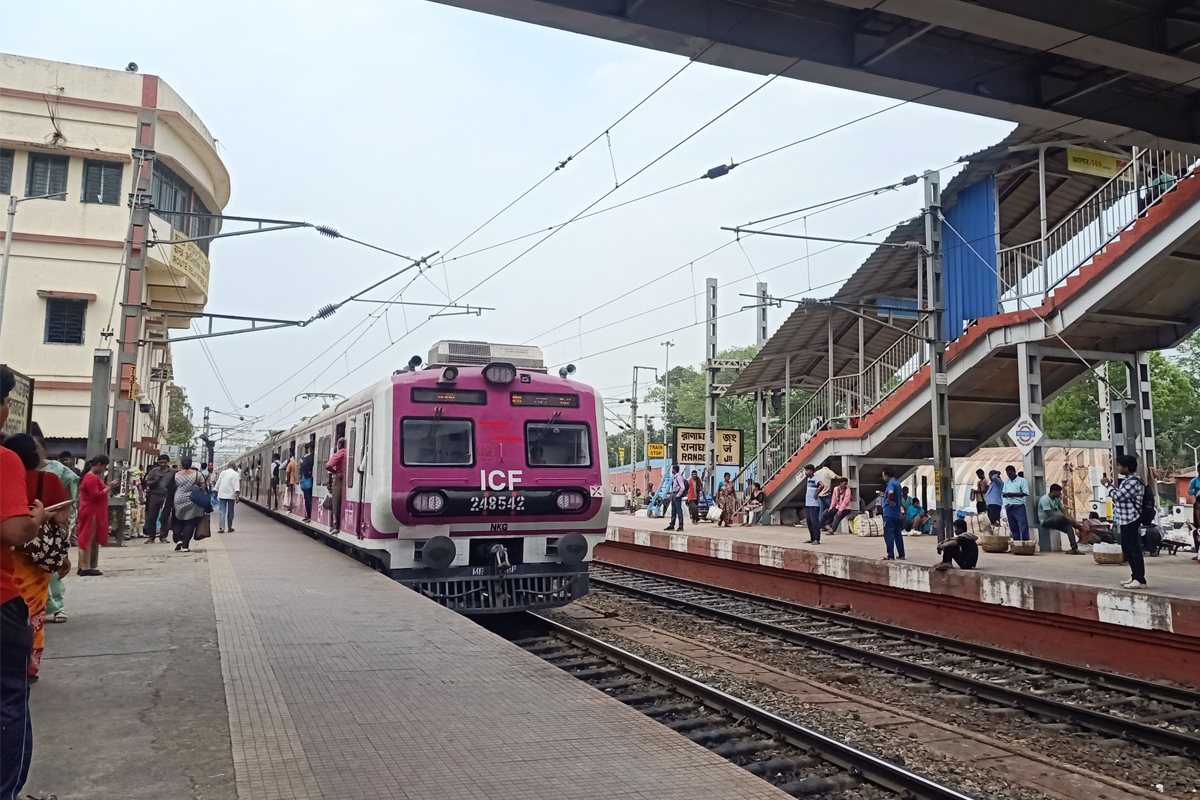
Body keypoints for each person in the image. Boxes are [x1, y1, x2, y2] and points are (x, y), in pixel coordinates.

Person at [1, 366, 48, 800]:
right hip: (0, 600)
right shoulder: (5, 461)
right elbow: (14, 532)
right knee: (8, 702)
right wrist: (34, 519)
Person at [3, 435, 70, 681]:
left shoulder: (4, 476)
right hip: (35, 558)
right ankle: (30, 666)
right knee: (34, 611)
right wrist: (61, 555)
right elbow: (62, 521)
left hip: (6, 553)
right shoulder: (48, 479)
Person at [37, 438, 76, 624]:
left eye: (36, 448)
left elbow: (68, 496)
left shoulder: (57, 471)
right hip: (28, 523)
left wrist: (64, 524)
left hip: (52, 524)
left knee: (52, 566)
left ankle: (57, 606)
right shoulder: (18, 469)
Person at [1109, 454, 1148, 588]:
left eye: (1120, 465)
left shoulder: (1133, 482)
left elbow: (1119, 496)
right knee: (1127, 548)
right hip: (1124, 518)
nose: (1118, 467)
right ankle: (1134, 576)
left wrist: (1108, 486)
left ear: (1126, 467)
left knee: (1133, 548)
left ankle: (1140, 578)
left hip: (1131, 518)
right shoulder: (1127, 480)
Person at [76, 455, 118, 576]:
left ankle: (82, 566)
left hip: (88, 509)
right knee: (88, 538)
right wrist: (109, 487)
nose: (104, 469)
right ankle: (85, 567)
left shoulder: (89, 477)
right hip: (91, 511)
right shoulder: (91, 478)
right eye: (104, 466)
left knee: (85, 538)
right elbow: (96, 495)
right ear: (99, 464)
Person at [166, 456, 206, 551]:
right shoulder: (198, 474)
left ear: (182, 464)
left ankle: (178, 539)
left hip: (178, 499)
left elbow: (170, 487)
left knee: (177, 520)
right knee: (190, 522)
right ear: (191, 463)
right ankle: (185, 545)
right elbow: (203, 487)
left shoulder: (176, 475)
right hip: (193, 500)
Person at [1037, 484, 1084, 554]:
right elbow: (1050, 514)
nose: (1060, 493)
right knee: (1061, 517)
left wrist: (1074, 521)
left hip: (1055, 521)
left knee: (1068, 527)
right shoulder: (1045, 499)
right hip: (1046, 522)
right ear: (1054, 491)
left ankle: (1074, 548)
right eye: (1059, 491)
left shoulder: (1057, 500)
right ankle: (1077, 527)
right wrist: (1069, 521)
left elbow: (1064, 511)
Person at [143, 455, 174, 543]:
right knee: (152, 517)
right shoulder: (154, 471)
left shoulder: (173, 472)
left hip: (166, 496)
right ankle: (151, 536)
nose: (163, 464)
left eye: (164, 462)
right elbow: (147, 482)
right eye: (161, 462)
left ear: (168, 462)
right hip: (154, 495)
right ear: (158, 462)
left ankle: (163, 536)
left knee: (165, 517)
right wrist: (155, 481)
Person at [880, 467, 905, 560]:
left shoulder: (890, 484)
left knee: (889, 534)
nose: (883, 478)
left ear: (886, 475)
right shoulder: (897, 483)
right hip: (897, 513)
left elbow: (891, 492)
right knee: (898, 534)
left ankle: (890, 555)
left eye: (883, 476)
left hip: (889, 513)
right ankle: (901, 554)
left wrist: (890, 501)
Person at [1002, 465, 1031, 542]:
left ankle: (1025, 542)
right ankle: (1016, 542)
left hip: (1018, 506)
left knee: (1023, 526)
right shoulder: (1006, 482)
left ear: (1014, 472)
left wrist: (1013, 494)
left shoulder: (1022, 481)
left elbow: (1025, 493)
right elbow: (1004, 493)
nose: (1009, 475)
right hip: (1009, 507)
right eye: (1008, 474)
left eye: (1011, 473)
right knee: (1013, 527)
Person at [214, 463, 241, 533]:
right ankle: (229, 527)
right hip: (231, 495)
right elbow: (236, 486)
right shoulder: (236, 474)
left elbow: (218, 482)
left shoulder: (223, 473)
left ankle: (221, 528)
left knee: (222, 511)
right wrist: (237, 496)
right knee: (230, 511)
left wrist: (215, 490)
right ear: (235, 467)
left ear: (227, 466)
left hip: (222, 494)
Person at [327, 438, 347, 532]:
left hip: (339, 479)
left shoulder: (340, 453)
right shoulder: (349, 452)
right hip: (348, 478)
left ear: (339, 445)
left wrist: (335, 473)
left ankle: (336, 526)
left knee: (336, 502)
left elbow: (328, 466)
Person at [801, 465, 824, 544]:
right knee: (809, 521)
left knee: (814, 522)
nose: (806, 472)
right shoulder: (808, 479)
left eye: (807, 471)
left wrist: (816, 493)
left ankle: (817, 539)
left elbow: (822, 485)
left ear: (811, 471)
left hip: (814, 504)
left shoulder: (815, 478)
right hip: (808, 503)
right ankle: (812, 537)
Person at [663, 465, 686, 531]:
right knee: (673, 511)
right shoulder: (675, 477)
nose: (672, 470)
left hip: (676, 494)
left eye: (672, 469)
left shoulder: (679, 477)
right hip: (674, 494)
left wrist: (678, 495)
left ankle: (681, 526)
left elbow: (682, 487)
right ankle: (672, 525)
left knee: (679, 511)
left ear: (674, 470)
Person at [300, 445, 315, 523]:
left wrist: (306, 474)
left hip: (308, 481)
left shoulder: (307, 458)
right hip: (313, 480)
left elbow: (303, 466)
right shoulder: (314, 457)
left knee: (307, 499)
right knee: (310, 499)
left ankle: (309, 515)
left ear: (311, 448)